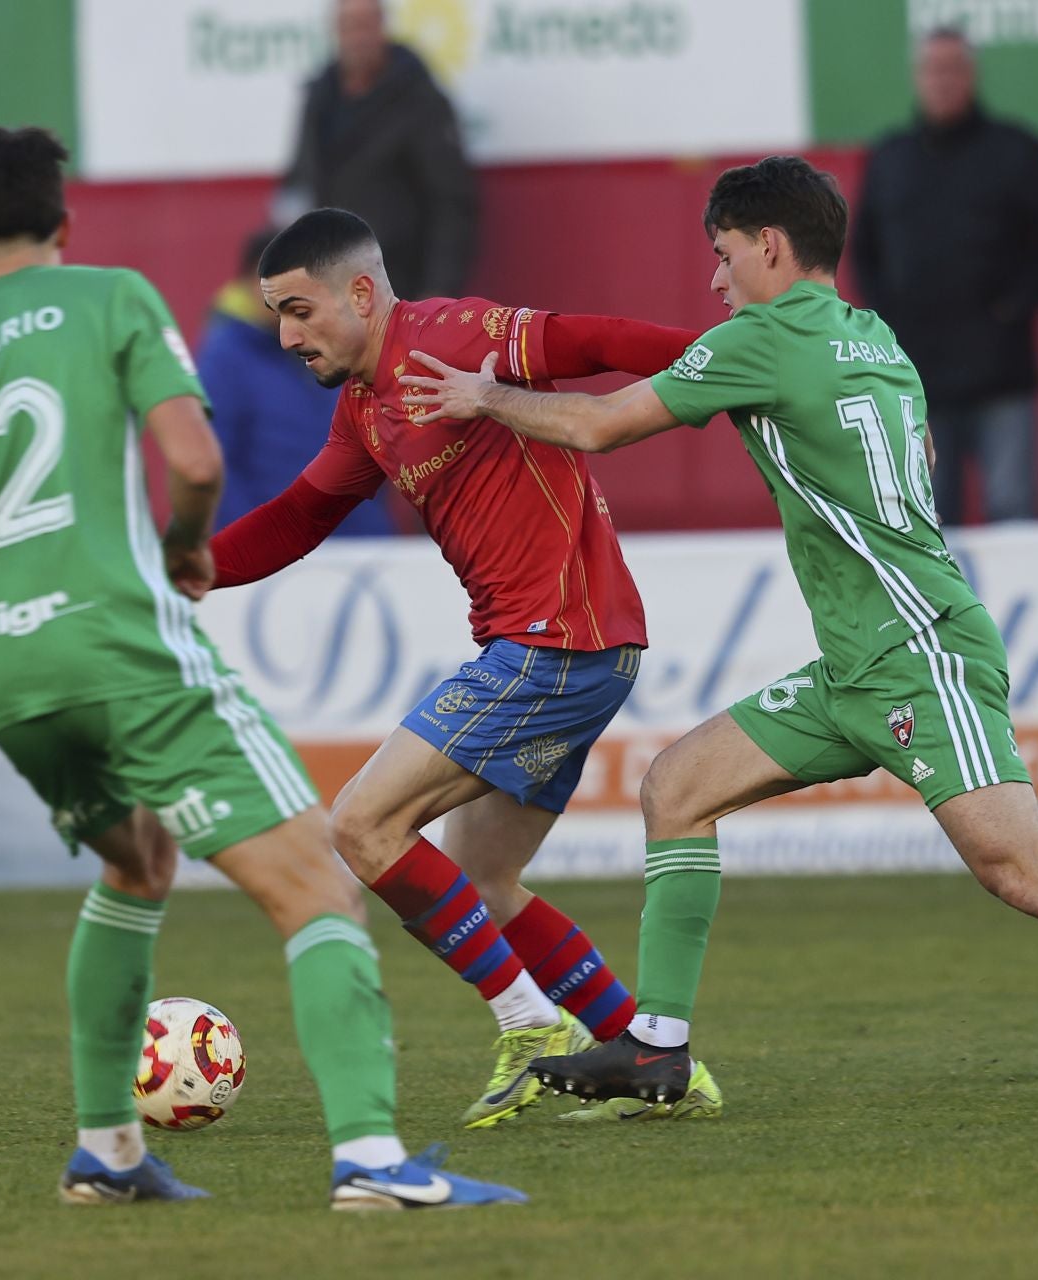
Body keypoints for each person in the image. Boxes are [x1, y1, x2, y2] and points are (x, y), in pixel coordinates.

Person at [400, 156, 1038, 1119]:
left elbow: (605, 422)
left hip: (919, 654)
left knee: (1020, 870)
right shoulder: (874, 338)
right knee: (677, 788)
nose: (715, 280)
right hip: (857, 666)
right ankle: (657, 1045)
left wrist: (487, 401)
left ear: (769, 248)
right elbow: (922, 454)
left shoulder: (761, 338)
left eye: (724, 255)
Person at [0, 126, 526, 1211]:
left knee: (135, 863)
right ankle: (374, 1161)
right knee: (317, 885)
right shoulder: (108, 297)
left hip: (10, 677)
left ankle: (106, 1152)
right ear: (62, 227)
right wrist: (187, 542)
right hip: (123, 648)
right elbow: (196, 457)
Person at [209, 207, 722, 1127]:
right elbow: (295, 520)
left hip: (555, 644)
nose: (286, 336)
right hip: (570, 649)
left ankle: (531, 1026)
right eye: (277, 316)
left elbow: (592, 340)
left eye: (299, 311)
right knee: (484, 879)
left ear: (360, 293)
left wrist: (742, 362)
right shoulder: (363, 409)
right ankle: (658, 1064)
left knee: (363, 824)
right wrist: (181, 571)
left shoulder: (453, 337)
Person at [851, 26, 1038, 525]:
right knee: (928, 520)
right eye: (934, 70)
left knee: (1013, 511)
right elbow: (862, 254)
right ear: (918, 77)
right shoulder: (890, 159)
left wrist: (1012, 306)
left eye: (953, 69)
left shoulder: (1015, 152)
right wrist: (887, 324)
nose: (943, 80)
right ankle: (941, 610)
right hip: (916, 378)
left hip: (1001, 374)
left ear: (971, 75)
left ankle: (1018, 606)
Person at [197, 228, 392, 534]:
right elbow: (212, 465)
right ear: (252, 284)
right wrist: (261, 543)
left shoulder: (340, 346)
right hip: (281, 562)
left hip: (359, 552)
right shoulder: (225, 359)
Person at [277, 0, 477, 300]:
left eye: (365, 26)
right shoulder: (320, 97)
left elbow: (450, 201)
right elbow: (298, 185)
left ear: (383, 28)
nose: (358, 38)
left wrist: (439, 291)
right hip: (331, 289)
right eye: (349, 27)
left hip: (399, 287)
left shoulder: (417, 98)